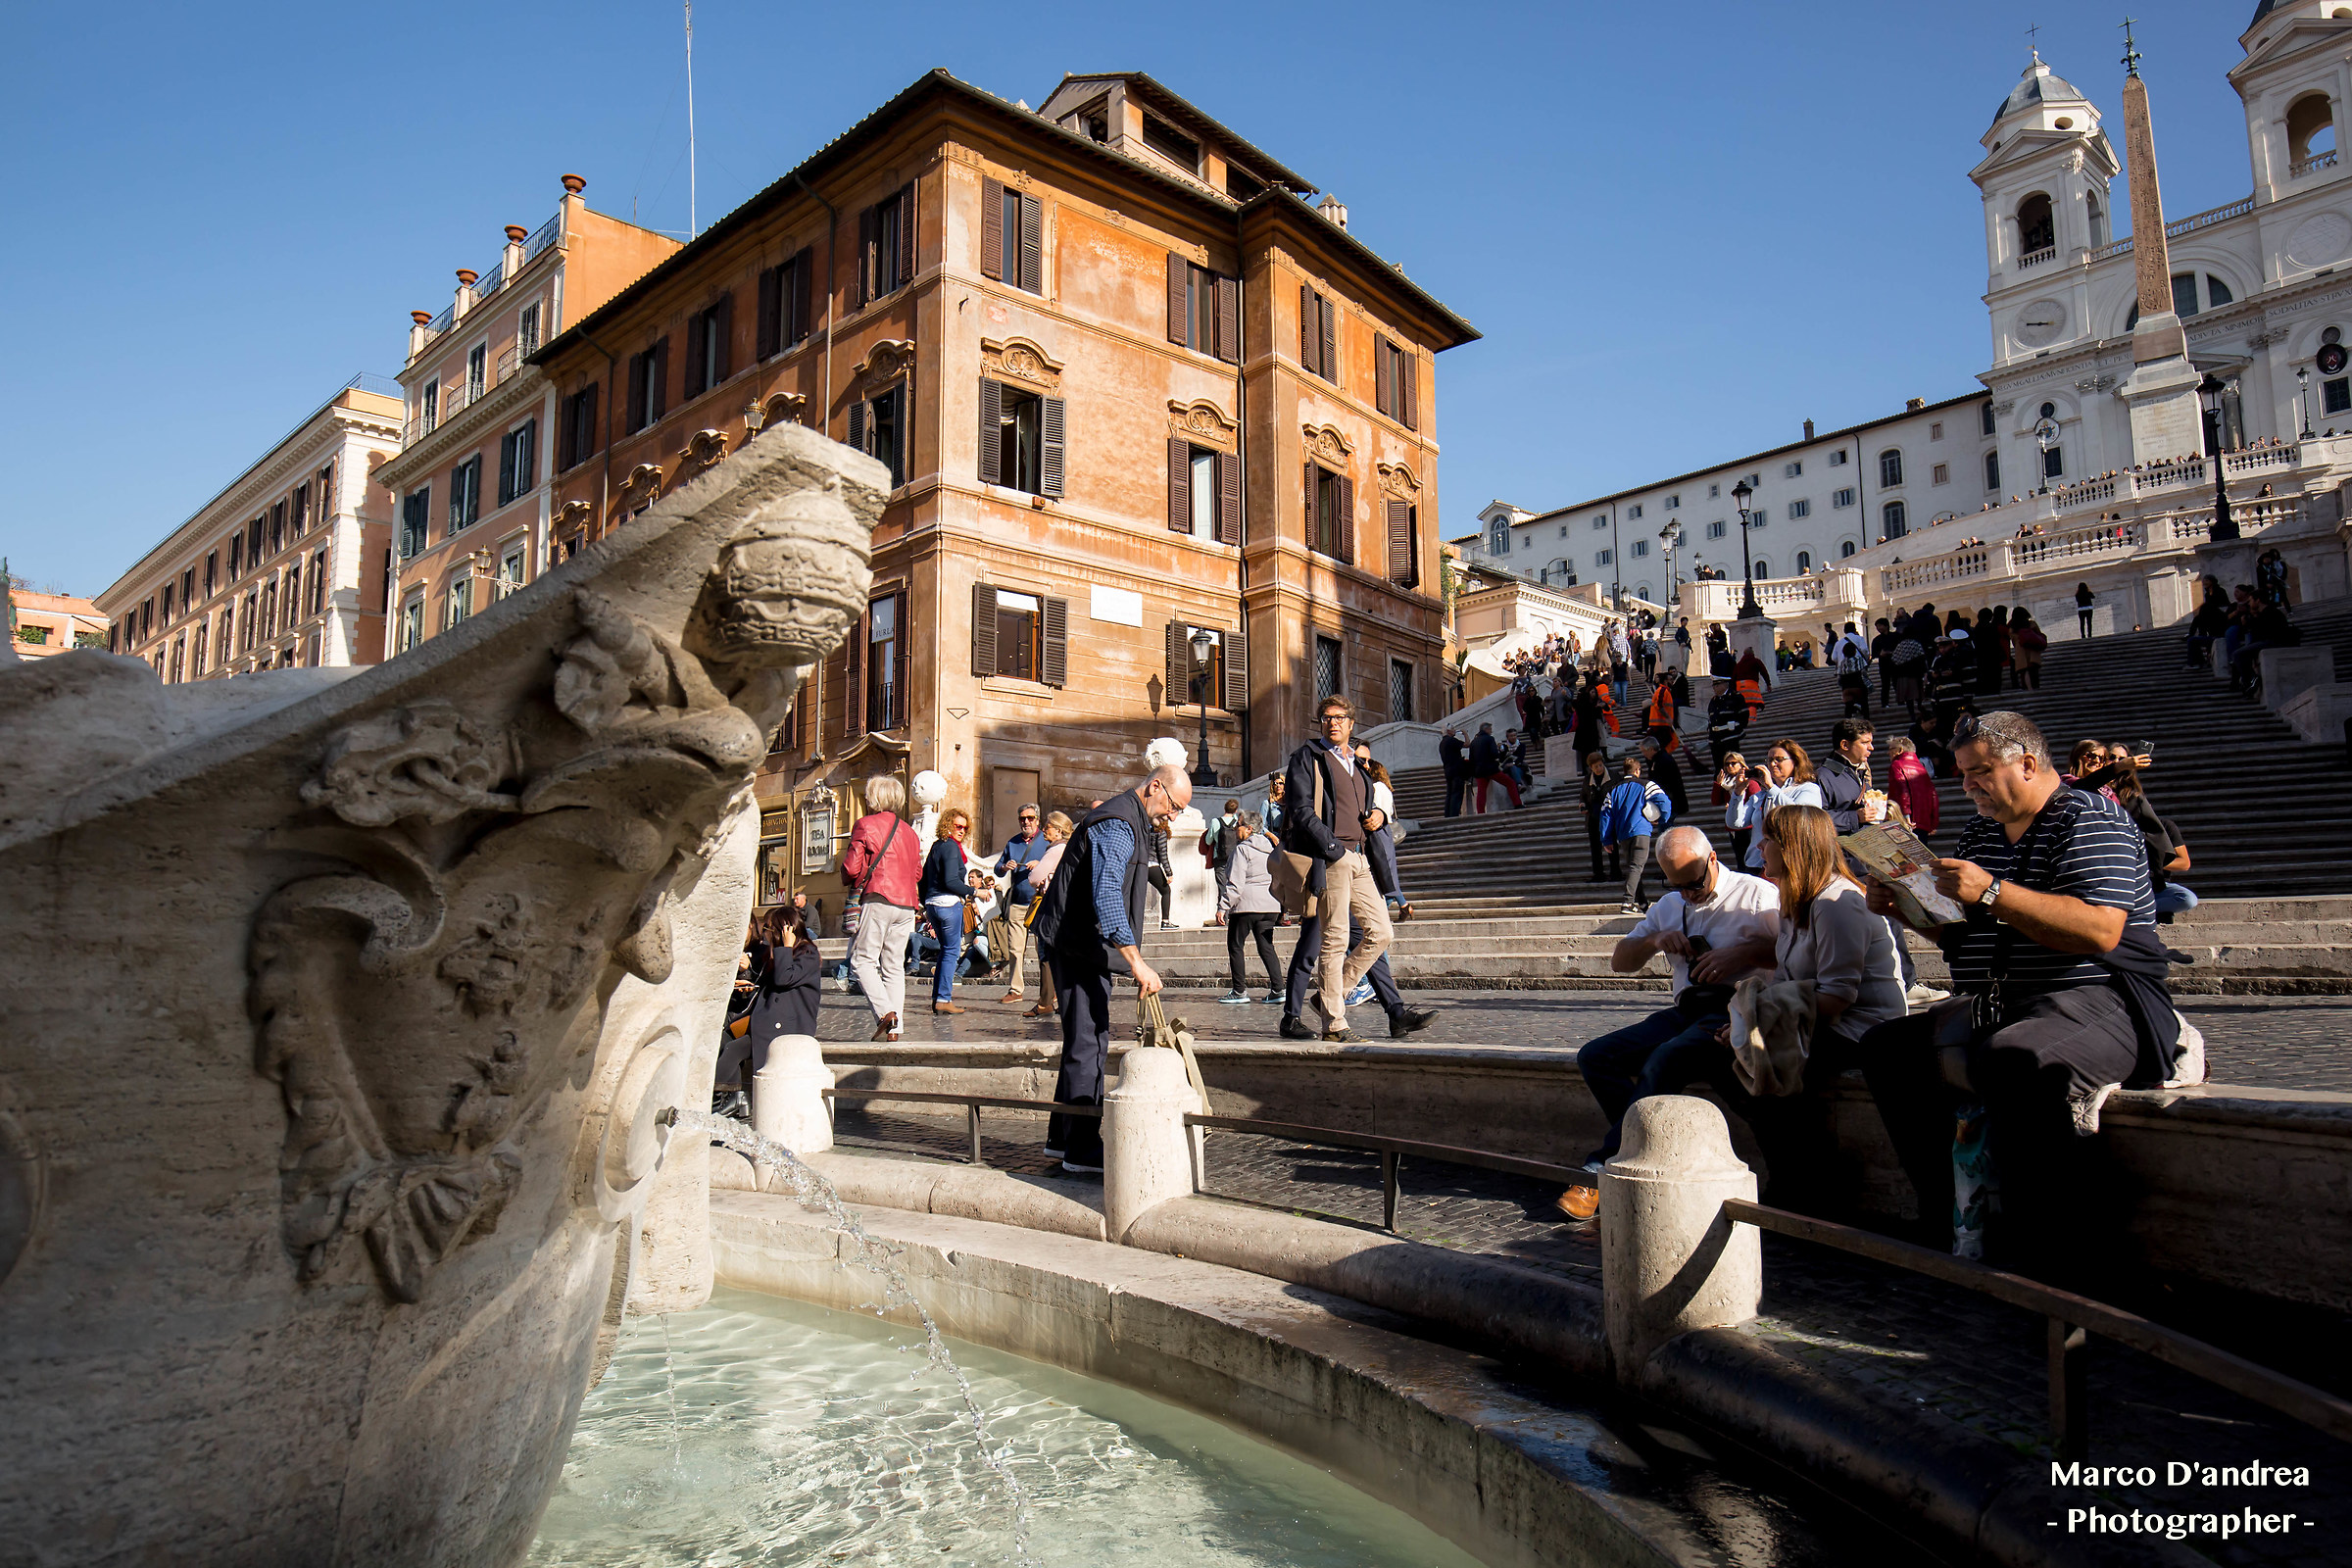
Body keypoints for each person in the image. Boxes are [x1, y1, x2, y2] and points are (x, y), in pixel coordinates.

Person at [1857, 711, 2178, 1282]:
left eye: (1979, 772)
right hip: (1999, 998)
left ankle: (2058, 1261)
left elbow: (2101, 929)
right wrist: (1904, 906)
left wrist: (1992, 891)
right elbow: (1963, 935)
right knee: (1886, 1048)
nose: (1968, 786)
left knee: (2013, 1061)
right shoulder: (1982, 833)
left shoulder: (2091, 816)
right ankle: (1951, 1220)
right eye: (1962, 774)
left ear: (2028, 763)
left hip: (2097, 998)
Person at [1711, 805, 1907, 1212]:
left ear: (1792, 848)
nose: (1759, 848)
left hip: (1859, 1027)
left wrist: (1758, 1024)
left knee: (1767, 1065)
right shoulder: (1796, 899)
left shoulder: (1837, 902)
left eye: (1768, 841)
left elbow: (1838, 997)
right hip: (1814, 1016)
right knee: (1720, 1057)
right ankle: (1794, 1176)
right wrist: (1745, 1022)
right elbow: (1785, 979)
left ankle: (1808, 1185)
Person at [1572, 824, 1781, 1170]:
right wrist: (1653, 941)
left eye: (1694, 884)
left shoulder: (1756, 895)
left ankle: (1609, 1159)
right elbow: (1621, 962)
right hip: (1686, 1010)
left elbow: (1790, 955)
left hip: (1734, 1009)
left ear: (1712, 859)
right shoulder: (1669, 906)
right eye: (1677, 886)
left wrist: (1743, 954)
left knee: (1667, 1057)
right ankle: (1646, 1143)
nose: (1688, 895)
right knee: (1596, 1056)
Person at [1032, 763, 1193, 1173]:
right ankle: (1082, 1148)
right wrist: (1137, 964)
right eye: (1174, 806)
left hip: (1081, 943)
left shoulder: (1131, 819)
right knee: (1090, 1041)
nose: (1173, 816)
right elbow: (1106, 895)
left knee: (1082, 1039)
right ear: (1155, 787)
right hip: (1077, 945)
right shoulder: (1119, 823)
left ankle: (1061, 1137)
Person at [1279, 696, 1414, 1042]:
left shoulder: (1357, 763)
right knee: (1335, 939)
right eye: (1327, 717)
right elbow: (1300, 808)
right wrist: (1333, 848)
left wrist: (1378, 814)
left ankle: (1330, 995)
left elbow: (1365, 805)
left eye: (1340, 717)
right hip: (1333, 857)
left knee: (1382, 932)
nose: (1333, 723)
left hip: (1360, 857)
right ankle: (1334, 1025)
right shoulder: (1307, 757)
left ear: (1351, 724)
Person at [842, 773, 924, 1043]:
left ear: (873, 799)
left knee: (862, 961)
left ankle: (885, 1013)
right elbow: (918, 873)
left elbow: (851, 868)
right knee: (894, 966)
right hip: (907, 903)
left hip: (878, 896)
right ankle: (895, 1029)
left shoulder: (865, 825)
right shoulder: (910, 832)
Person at [919, 808, 986, 1015]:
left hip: (933, 905)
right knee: (951, 952)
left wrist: (926, 904)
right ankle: (943, 999)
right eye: (958, 826)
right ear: (947, 825)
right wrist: (975, 891)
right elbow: (951, 881)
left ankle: (938, 997)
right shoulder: (950, 847)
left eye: (965, 828)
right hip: (948, 904)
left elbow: (923, 879)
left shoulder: (937, 846)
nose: (961, 831)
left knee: (945, 951)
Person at [1009, 811, 1073, 1014]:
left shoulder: (1055, 850)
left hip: (1050, 906)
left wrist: (1037, 870)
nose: (1044, 830)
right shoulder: (1067, 848)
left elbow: (1034, 878)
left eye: (1048, 826)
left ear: (1058, 830)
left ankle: (1046, 1001)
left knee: (1046, 952)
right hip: (1062, 906)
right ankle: (1056, 999)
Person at [1217, 810, 1285, 1003]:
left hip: (1246, 906)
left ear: (1248, 828)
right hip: (1270, 905)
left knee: (1236, 945)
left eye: (1238, 825)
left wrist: (1223, 906)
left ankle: (1239, 991)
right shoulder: (1271, 849)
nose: (1235, 829)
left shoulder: (1242, 850)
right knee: (1267, 947)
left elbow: (1236, 882)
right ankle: (1278, 989)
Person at [1600, 754, 1672, 913]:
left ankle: (1643, 903)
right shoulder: (1647, 785)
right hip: (1641, 830)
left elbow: (1605, 815)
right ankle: (1627, 901)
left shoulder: (1613, 790)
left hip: (1623, 834)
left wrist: (1606, 839)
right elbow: (1664, 802)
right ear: (1638, 771)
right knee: (1636, 866)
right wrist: (1661, 819)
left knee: (1633, 867)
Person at [1745, 739, 1824, 871]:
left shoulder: (1808, 789)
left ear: (1795, 761)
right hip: (1758, 862)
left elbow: (1800, 818)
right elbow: (1734, 823)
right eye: (1770, 760)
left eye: (1779, 759)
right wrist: (1738, 792)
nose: (1772, 764)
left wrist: (1771, 787)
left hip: (1791, 863)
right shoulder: (1762, 794)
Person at [1815, 716, 1876, 835]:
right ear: (1845, 745)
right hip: (1840, 845)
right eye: (1864, 742)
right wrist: (1855, 817)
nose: (1871, 748)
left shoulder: (1859, 771)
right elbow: (1816, 818)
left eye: (1871, 742)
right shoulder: (1823, 776)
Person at [1718, 752, 1764, 869]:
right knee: (1740, 858)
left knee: (1749, 858)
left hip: (1747, 825)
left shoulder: (1750, 782)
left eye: (1733, 763)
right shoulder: (1725, 783)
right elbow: (1716, 801)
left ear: (1741, 764)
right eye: (1727, 764)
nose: (1730, 766)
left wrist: (1737, 806)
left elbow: (1757, 802)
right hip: (1733, 827)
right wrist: (1718, 785)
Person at [1886, 736, 1938, 834]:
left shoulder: (1897, 765)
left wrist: (1906, 815)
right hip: (1924, 823)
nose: (1888, 753)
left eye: (1891, 749)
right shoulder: (1921, 768)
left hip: (1906, 821)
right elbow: (1933, 795)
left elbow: (1902, 791)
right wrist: (1933, 823)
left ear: (1900, 750)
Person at [1468, 721, 1521, 813]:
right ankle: (1517, 804)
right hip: (1491, 769)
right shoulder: (1490, 739)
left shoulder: (1473, 742)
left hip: (1479, 771)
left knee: (1481, 792)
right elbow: (1494, 754)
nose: (1491, 731)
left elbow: (1471, 758)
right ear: (1486, 729)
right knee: (1510, 783)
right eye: (1490, 729)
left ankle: (1480, 812)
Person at [1580, 750, 1613, 881]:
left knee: (1612, 845)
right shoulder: (1587, 780)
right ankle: (1598, 873)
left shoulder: (1613, 776)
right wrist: (1582, 804)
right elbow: (1583, 795)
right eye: (1595, 767)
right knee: (1595, 847)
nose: (1599, 769)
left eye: (1600, 765)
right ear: (1591, 768)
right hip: (1593, 817)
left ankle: (1615, 872)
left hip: (1609, 816)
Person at [1640, 735, 1688, 819]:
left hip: (1669, 801)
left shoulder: (1663, 760)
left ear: (1651, 749)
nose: (1644, 754)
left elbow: (1665, 783)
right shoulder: (1656, 760)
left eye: (1644, 751)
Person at [1706, 680, 1750, 769]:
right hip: (1716, 739)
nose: (1714, 687)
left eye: (1717, 685)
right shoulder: (1714, 700)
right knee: (1719, 767)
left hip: (1730, 737)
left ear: (1725, 684)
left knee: (1733, 765)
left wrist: (1736, 728)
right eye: (1713, 685)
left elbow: (1744, 715)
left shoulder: (1735, 697)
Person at [2010, 611, 2046, 690]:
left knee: (2024, 671)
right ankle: (2035, 687)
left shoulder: (2013, 629)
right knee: (2033, 671)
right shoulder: (2032, 624)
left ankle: (2028, 688)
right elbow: (2039, 635)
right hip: (2032, 650)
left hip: (2021, 651)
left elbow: (2013, 641)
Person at [1439, 726, 1468, 818]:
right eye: (1453, 729)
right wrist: (1465, 734)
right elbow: (1467, 744)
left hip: (1448, 770)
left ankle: (1448, 815)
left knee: (1450, 794)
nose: (1454, 730)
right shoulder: (1451, 740)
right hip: (1456, 770)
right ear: (1448, 731)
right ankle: (1454, 814)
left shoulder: (1442, 743)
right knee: (1457, 793)